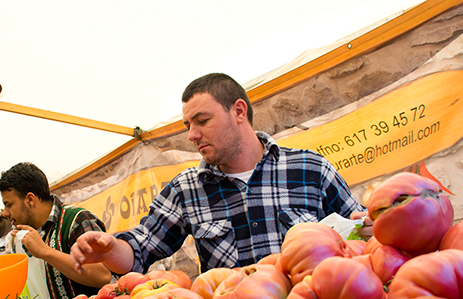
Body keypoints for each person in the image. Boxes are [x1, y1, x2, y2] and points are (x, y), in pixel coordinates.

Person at [71, 72, 372, 276]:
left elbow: (365, 238)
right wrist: (111, 249)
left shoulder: (310, 169)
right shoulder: (186, 190)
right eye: (188, 125)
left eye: (202, 120)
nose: (192, 135)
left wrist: (369, 226)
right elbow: (139, 251)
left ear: (239, 112)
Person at [0, 162, 111, 299]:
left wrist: (45, 251)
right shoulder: (19, 237)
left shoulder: (77, 221)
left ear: (30, 199)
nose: (5, 213)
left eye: (9, 205)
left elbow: (103, 275)